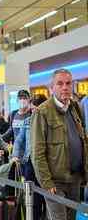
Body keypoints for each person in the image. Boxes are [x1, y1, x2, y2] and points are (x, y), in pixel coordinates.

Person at [31, 69, 88, 220]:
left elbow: (82, 140)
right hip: (55, 183)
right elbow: (37, 152)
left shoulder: (75, 108)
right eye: (60, 83)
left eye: (68, 83)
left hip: (74, 179)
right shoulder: (42, 112)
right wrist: (46, 182)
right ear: (51, 88)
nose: (65, 87)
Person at [11, 94, 47, 219]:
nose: (33, 111)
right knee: (32, 196)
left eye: (35, 109)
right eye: (32, 109)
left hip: (45, 164)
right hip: (29, 162)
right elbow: (19, 140)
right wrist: (15, 155)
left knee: (46, 196)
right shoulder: (27, 121)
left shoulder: (49, 121)